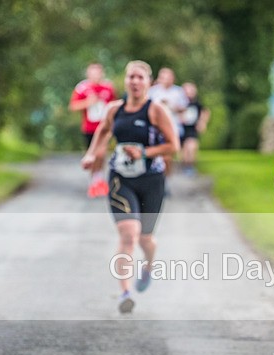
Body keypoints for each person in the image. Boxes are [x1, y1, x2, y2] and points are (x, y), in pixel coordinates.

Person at [81, 60, 180, 314]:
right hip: (120, 178)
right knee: (128, 233)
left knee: (145, 238)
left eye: (140, 77)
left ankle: (148, 265)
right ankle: (125, 292)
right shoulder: (115, 109)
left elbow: (173, 146)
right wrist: (92, 155)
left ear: (148, 83)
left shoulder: (156, 110)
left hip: (151, 180)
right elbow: (102, 132)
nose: (135, 82)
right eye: (131, 77)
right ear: (125, 81)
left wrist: (145, 152)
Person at [69, 63, 116, 197]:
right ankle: (94, 180)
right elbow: (73, 106)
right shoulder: (82, 88)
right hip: (89, 128)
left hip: (105, 127)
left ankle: (99, 178)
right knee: (91, 155)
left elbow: (114, 105)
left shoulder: (108, 87)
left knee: (101, 153)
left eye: (98, 73)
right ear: (88, 74)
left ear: (102, 73)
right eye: (92, 73)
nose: (95, 76)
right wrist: (87, 103)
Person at [148, 67, 188, 177]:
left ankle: (165, 178)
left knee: (167, 156)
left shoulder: (178, 91)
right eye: (163, 77)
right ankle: (157, 177)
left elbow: (184, 108)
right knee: (156, 155)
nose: (166, 80)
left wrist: (171, 106)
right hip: (155, 128)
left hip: (173, 126)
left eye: (168, 77)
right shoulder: (152, 91)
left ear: (173, 78)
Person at [179, 82, 210, 176]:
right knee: (183, 151)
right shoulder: (180, 102)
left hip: (192, 129)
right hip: (181, 129)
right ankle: (185, 166)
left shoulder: (197, 103)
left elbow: (205, 111)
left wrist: (202, 123)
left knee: (191, 147)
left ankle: (190, 167)